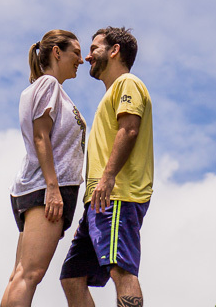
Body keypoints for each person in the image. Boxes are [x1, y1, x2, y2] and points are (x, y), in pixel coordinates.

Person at [60, 27, 154, 307]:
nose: (87, 57)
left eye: (94, 49)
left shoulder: (128, 83)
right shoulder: (112, 92)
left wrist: (108, 176)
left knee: (120, 267)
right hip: (99, 201)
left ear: (114, 51)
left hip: (117, 194)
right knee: (72, 276)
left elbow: (129, 129)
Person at [1, 30, 88, 307]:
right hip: (47, 188)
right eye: (76, 52)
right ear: (56, 52)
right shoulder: (48, 84)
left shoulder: (48, 88)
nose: (81, 60)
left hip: (42, 187)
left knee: (20, 274)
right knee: (30, 274)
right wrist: (53, 188)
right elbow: (41, 135)